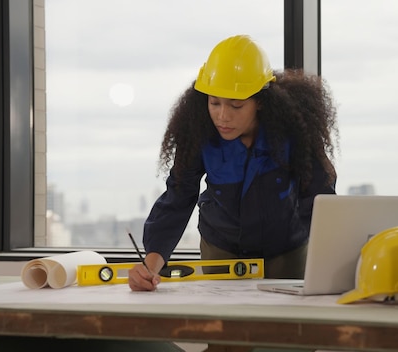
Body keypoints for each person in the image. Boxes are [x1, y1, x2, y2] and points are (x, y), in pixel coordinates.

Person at [129, 34, 339, 291]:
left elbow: (319, 202)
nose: (222, 116)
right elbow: (178, 198)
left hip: (287, 249)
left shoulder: (294, 133)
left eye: (236, 105)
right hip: (222, 249)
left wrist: (334, 268)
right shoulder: (198, 134)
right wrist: (150, 266)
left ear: (261, 101)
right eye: (214, 102)